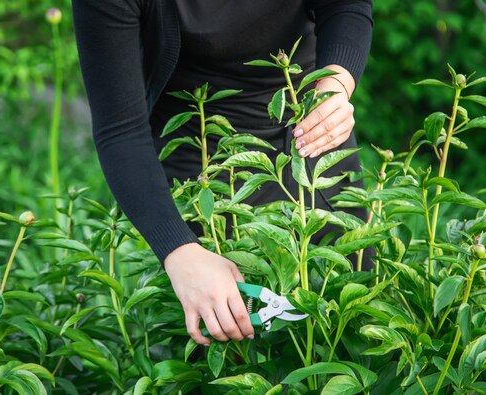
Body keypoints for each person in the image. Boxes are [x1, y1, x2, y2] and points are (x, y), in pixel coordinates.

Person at [72, 0, 373, 347]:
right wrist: (179, 251)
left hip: (314, 140)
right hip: (203, 175)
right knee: (229, 355)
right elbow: (120, 131)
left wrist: (335, 86)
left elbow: (345, 5)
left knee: (348, 332)